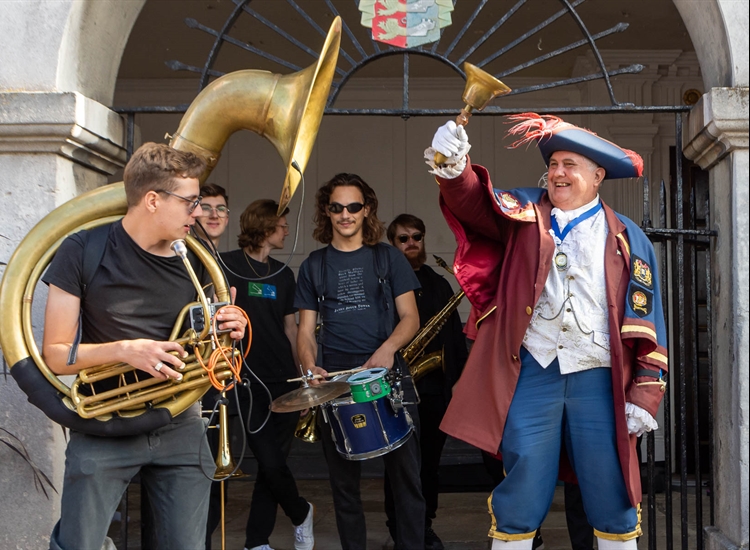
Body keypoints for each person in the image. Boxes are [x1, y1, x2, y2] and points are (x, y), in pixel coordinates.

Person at [425, 114, 668, 549]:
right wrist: (455, 167)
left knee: (612, 490)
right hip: (532, 373)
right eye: (553, 164)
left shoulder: (629, 237)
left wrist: (646, 393)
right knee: (520, 490)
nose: (557, 172)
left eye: (569, 164)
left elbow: (649, 319)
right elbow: (474, 205)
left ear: (597, 177)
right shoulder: (523, 214)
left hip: (598, 377)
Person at [41, 142, 248, 550]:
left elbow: (213, 346)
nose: (199, 214)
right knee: (77, 545)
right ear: (152, 199)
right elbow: (56, 354)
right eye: (191, 202)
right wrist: (125, 350)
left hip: (181, 422)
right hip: (106, 424)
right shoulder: (83, 250)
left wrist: (231, 328)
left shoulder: (198, 256)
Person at [295, 173, 426, 550]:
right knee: (344, 488)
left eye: (353, 207)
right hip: (335, 381)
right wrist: (309, 368)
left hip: (387, 377)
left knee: (407, 484)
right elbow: (304, 332)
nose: (345, 215)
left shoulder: (388, 258)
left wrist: (387, 350)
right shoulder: (314, 265)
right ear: (327, 211)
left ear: (366, 210)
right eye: (337, 207)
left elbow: (411, 318)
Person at [216, 199, 314, 550]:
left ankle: (257, 542)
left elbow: (292, 330)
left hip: (283, 379)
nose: (287, 230)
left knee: (274, 465)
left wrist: (303, 380)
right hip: (242, 378)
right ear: (266, 226)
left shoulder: (284, 273)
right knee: (269, 460)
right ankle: (300, 510)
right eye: (282, 225)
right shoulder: (225, 265)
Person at [385, 213, 468, 550]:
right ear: (392, 243)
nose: (411, 244)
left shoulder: (438, 282)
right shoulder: (384, 281)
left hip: (433, 388)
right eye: (403, 239)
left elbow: (453, 339)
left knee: (429, 464)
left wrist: (458, 382)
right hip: (396, 388)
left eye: (416, 237)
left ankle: (424, 525)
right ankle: (399, 526)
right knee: (399, 465)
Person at [196, 183, 230, 250]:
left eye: (221, 209)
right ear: (193, 218)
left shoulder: (223, 260)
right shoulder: (183, 257)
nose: (214, 215)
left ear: (226, 219)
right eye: (205, 208)